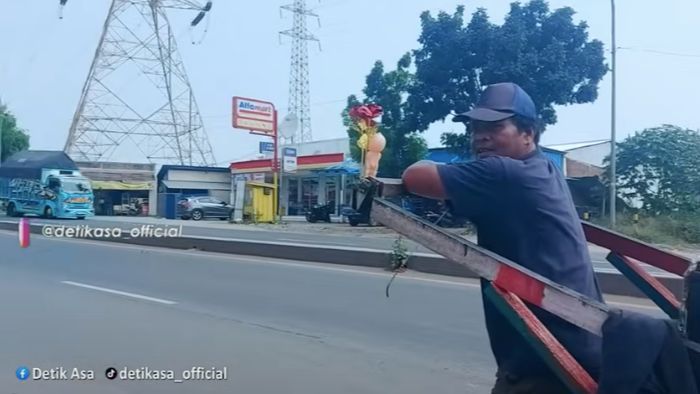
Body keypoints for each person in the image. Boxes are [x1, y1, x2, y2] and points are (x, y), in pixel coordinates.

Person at [401, 82, 603, 393]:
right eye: (476, 127)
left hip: (547, 360)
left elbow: (414, 177)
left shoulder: (503, 173)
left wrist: (426, 161)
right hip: (578, 342)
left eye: (495, 127)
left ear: (528, 133)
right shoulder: (544, 168)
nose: (480, 136)